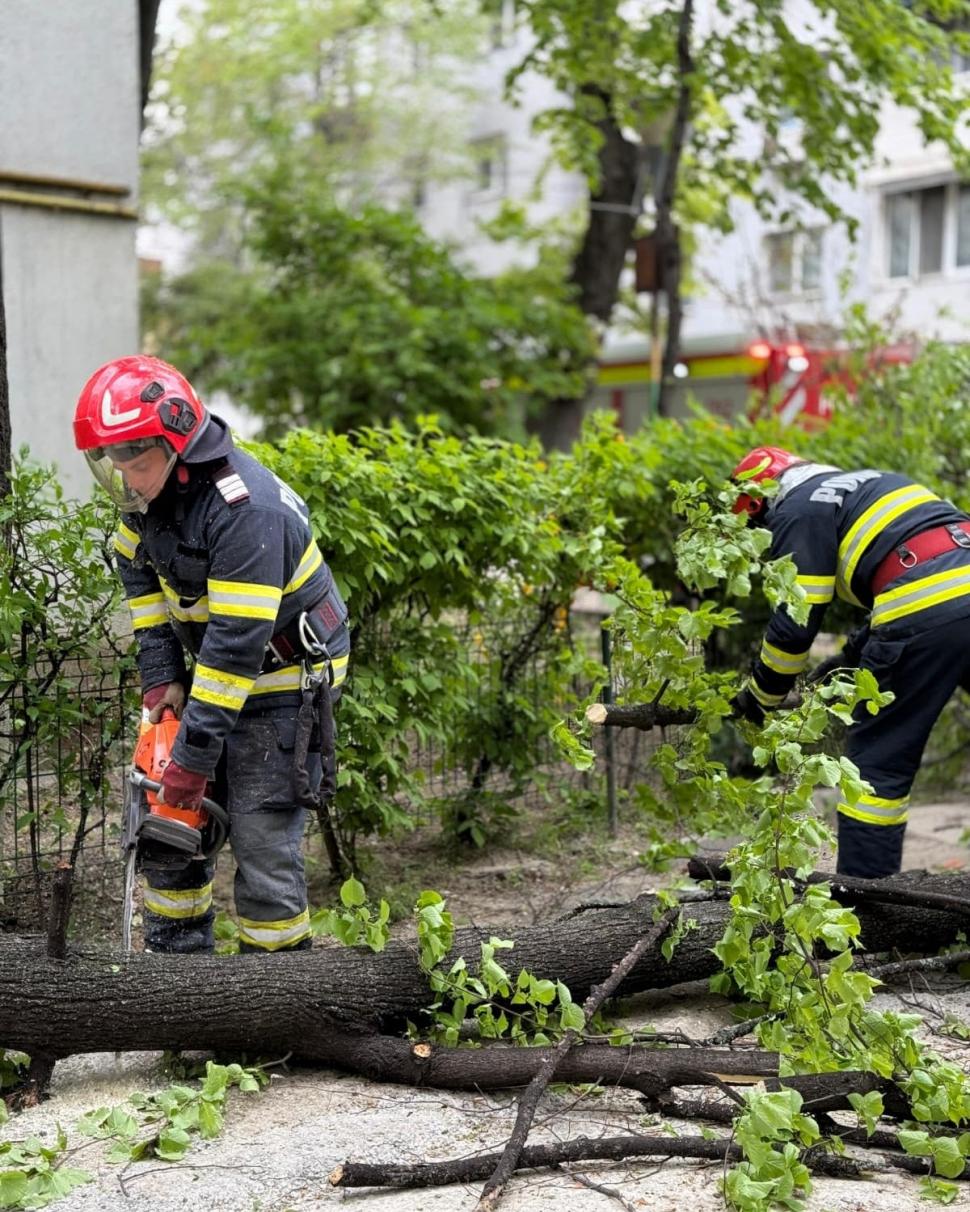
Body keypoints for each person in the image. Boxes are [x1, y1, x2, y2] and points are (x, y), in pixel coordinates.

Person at [74, 355, 350, 953]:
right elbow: (138, 580)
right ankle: (181, 987)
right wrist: (161, 679)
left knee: (260, 834)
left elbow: (234, 649)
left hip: (285, 673)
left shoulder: (245, 512)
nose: (126, 482)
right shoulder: (150, 505)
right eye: (114, 467)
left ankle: (273, 1009)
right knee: (167, 825)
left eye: (136, 465)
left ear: (175, 445)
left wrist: (193, 762)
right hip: (216, 673)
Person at [730, 445, 970, 879]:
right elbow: (914, 563)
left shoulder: (796, 510)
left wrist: (760, 697)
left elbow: (796, 624)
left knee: (877, 767)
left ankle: (868, 904)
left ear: (758, 503)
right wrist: (848, 659)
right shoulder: (870, 481)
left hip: (927, 603)